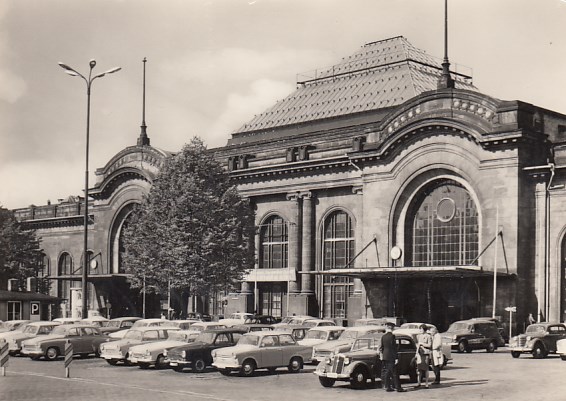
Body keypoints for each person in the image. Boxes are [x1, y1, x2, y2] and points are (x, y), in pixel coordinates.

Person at [379, 323, 406, 392]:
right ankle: (398, 387)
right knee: (395, 372)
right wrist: (396, 357)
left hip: (385, 356)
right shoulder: (392, 336)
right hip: (391, 356)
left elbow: (381, 347)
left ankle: (387, 386)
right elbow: (394, 348)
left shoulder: (383, 337)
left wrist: (382, 355)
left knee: (387, 372)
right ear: (392, 328)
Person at [416, 324, 432, 388]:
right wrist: (416, 352)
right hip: (420, 354)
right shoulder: (419, 336)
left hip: (425, 353)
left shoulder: (428, 336)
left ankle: (426, 383)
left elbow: (429, 345)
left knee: (426, 369)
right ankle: (418, 382)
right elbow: (418, 345)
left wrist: (422, 344)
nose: (420, 330)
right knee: (419, 369)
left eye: (421, 329)